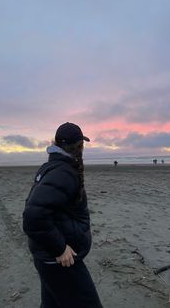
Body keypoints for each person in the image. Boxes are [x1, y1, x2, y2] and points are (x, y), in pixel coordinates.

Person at [22, 122, 103, 308]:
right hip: (59, 261)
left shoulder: (53, 166)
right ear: (79, 146)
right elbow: (33, 216)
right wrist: (59, 248)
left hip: (49, 259)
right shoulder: (62, 173)